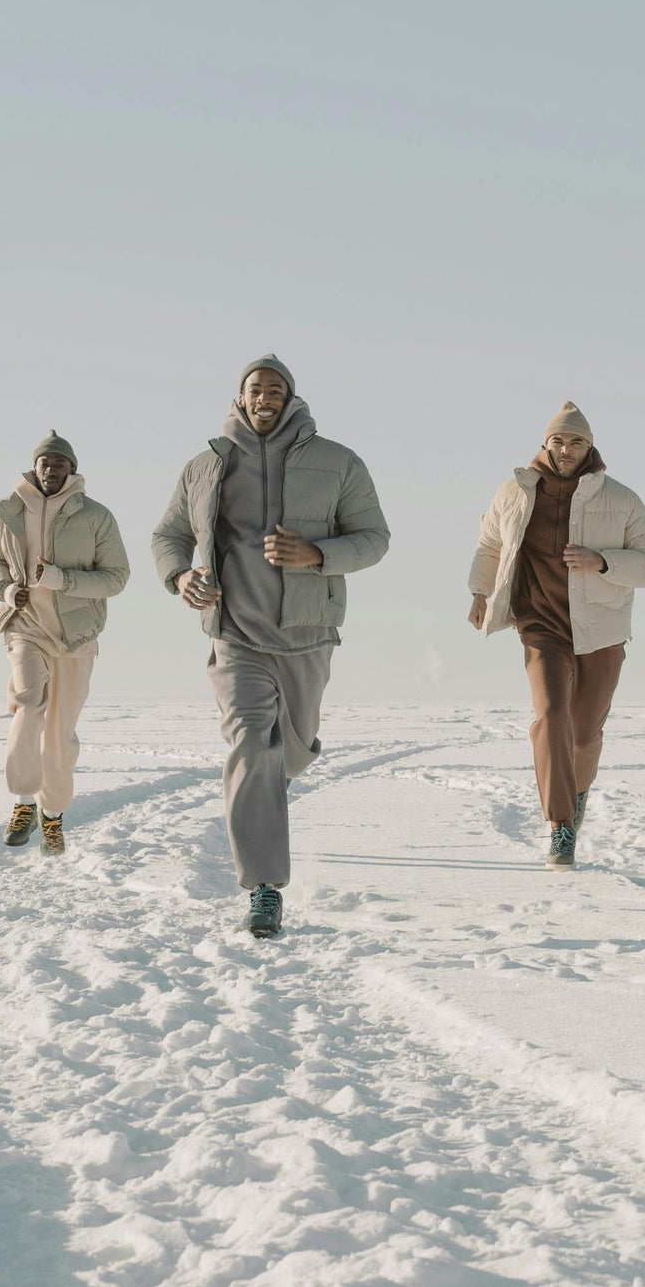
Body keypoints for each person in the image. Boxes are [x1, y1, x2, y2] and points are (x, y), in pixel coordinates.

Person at [152, 355, 390, 937]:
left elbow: (374, 538)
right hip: (233, 632)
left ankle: (286, 764)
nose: (265, 397)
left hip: (307, 633)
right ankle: (263, 887)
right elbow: (170, 535)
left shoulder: (337, 461)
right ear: (239, 397)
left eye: (276, 390)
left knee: (293, 749)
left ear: (291, 399)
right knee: (253, 744)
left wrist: (318, 554)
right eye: (256, 389)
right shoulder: (206, 464)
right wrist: (181, 576)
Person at [467, 400, 645, 870]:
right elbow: (491, 544)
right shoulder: (513, 492)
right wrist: (480, 591)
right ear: (544, 444)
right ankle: (560, 825)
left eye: (575, 441)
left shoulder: (620, 498)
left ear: (590, 446)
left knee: (583, 733)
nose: (565, 449)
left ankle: (577, 791)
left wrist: (603, 561)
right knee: (552, 715)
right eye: (557, 440)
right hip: (541, 625)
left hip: (602, 628)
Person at [0, 431, 130, 853]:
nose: (50, 469)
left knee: (60, 731)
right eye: (44, 463)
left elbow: (116, 577)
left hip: (76, 634)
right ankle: (23, 802)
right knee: (28, 704)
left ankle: (52, 815)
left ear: (72, 469)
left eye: (59, 463)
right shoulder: (6, 511)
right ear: (35, 467)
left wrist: (61, 580)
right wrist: (8, 590)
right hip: (24, 625)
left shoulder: (97, 517)